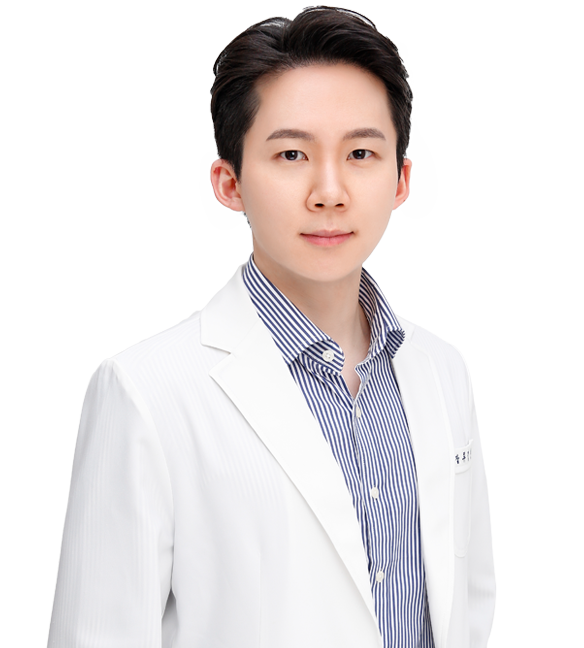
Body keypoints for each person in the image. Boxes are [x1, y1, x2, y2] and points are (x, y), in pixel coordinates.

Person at [48, 7, 495, 648]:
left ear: (400, 180)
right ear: (229, 182)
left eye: (361, 153)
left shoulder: (442, 370)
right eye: (291, 154)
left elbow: (472, 609)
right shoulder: (145, 392)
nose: (329, 191)